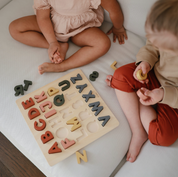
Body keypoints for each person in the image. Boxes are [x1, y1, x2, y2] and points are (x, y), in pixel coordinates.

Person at [106, 0, 178, 163]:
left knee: (163, 137)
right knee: (120, 75)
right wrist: (145, 63)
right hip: (154, 76)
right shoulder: (166, 24)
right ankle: (138, 131)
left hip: (173, 98)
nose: (159, 46)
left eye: (165, 47)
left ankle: (135, 97)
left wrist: (163, 95)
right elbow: (152, 47)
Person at [9, 0, 127, 74]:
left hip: (81, 28)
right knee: (14, 28)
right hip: (52, 23)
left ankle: (62, 66)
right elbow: (43, 18)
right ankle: (58, 45)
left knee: (103, 43)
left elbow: (113, 9)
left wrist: (118, 27)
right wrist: (52, 42)